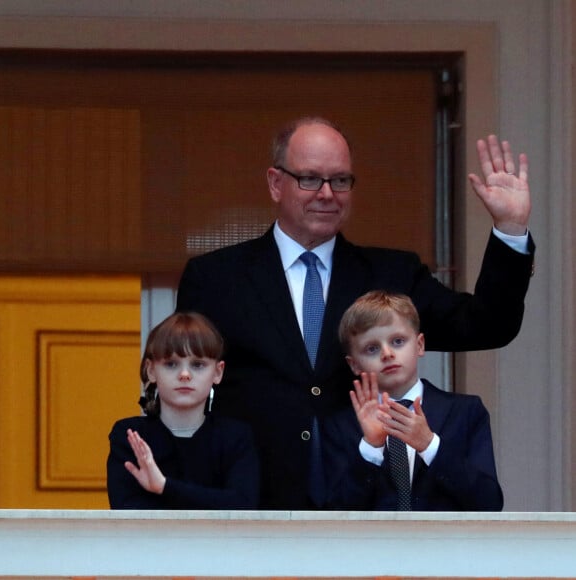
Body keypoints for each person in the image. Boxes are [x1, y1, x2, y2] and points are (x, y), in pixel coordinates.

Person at [175, 116, 534, 509]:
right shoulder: (215, 278)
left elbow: (485, 325)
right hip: (251, 502)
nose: (327, 193)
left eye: (340, 180)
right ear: (276, 183)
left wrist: (510, 228)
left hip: (364, 506)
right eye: (310, 179)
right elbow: (181, 386)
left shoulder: (391, 273)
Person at [323, 290, 502, 511]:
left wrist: (429, 444)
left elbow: (489, 502)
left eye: (398, 341)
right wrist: (371, 447)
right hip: (373, 545)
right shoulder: (340, 425)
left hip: (445, 544)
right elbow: (334, 513)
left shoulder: (465, 411)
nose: (387, 353)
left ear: (419, 345)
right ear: (354, 365)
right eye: (372, 348)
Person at [106, 311, 259, 509]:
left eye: (198, 365)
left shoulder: (235, 437)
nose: (185, 374)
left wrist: (164, 487)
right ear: (151, 370)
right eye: (171, 364)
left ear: (218, 372)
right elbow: (127, 511)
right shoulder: (130, 435)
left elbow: (242, 506)